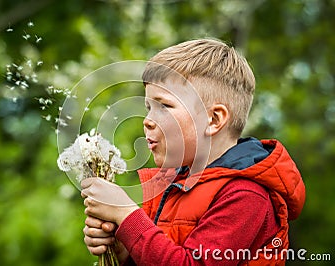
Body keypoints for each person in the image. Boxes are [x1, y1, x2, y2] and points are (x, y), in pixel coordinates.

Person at [81, 38, 305, 265]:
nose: (147, 121)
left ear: (213, 119)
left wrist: (127, 215)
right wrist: (127, 252)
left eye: (164, 106)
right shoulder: (175, 186)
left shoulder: (245, 196)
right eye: (148, 107)